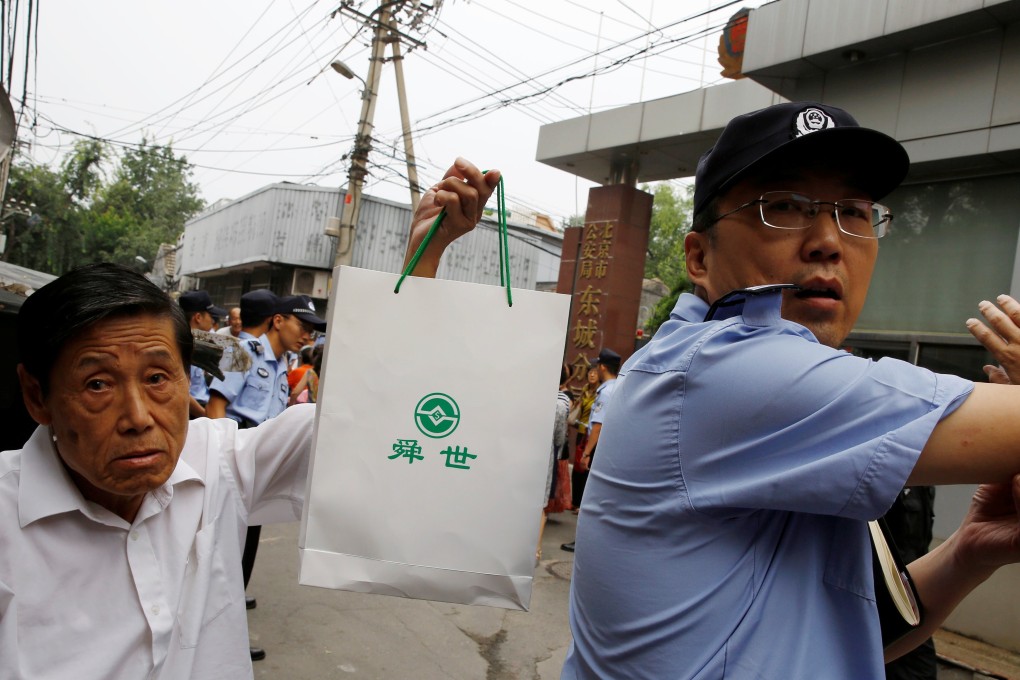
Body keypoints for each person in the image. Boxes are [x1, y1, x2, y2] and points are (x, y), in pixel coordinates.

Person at [560, 102, 1020, 679]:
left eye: (852, 211)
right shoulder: (723, 373)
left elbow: (847, 642)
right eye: (782, 207)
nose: (828, 240)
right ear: (699, 257)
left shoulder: (776, 415)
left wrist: (970, 550)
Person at [0, 158, 500, 679]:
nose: (138, 417)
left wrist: (426, 252)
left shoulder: (217, 464)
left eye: (156, 378)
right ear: (38, 397)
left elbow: (367, 415)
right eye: (98, 384)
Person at [561, 347, 620, 553]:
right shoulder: (618, 387)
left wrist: (586, 453)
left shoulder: (606, 391)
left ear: (603, 367)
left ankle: (583, 542)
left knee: (590, 497)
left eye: (597, 366)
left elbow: (598, 425)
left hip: (597, 449)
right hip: (608, 449)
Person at [178, 290, 228, 419]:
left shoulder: (197, 343)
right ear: (198, 317)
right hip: (192, 414)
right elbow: (181, 391)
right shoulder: (184, 345)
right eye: (210, 315)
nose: (213, 320)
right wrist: (205, 416)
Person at [569, 364, 598, 511]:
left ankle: (581, 504)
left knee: (586, 467)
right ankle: (574, 501)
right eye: (590, 372)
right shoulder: (585, 390)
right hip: (581, 432)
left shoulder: (600, 393)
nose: (591, 375)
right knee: (576, 467)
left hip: (591, 433)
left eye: (594, 372)